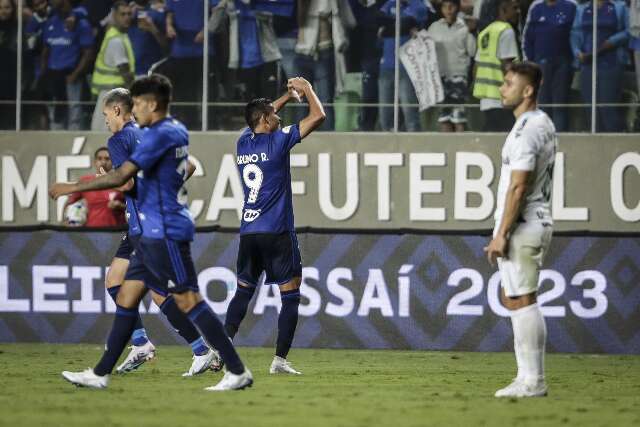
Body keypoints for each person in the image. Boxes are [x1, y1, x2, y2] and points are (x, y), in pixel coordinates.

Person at [50, 74, 252, 391]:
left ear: (151, 104)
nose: (134, 111)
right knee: (126, 296)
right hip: (151, 231)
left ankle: (234, 368)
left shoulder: (146, 137)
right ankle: (102, 372)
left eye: (139, 104)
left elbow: (125, 181)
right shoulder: (174, 131)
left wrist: (73, 187)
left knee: (189, 300)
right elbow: (182, 168)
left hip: (163, 230)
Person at [98, 87, 222, 376]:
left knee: (159, 292)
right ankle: (144, 344)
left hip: (147, 225)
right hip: (144, 223)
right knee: (117, 281)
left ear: (118, 110)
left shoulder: (120, 139)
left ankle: (202, 350)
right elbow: (188, 165)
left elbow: (126, 185)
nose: (105, 120)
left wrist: (108, 181)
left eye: (105, 114)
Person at [223, 76, 325, 375]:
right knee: (290, 295)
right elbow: (318, 115)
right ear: (267, 120)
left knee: (243, 291)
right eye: (275, 114)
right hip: (277, 231)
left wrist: (284, 98)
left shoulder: (242, 142)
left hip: (249, 232)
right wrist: (306, 89)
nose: (279, 116)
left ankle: (221, 348)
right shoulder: (279, 142)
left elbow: (257, 117)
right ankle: (279, 360)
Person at [484, 61, 556, 398]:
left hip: (524, 224)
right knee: (513, 297)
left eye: (509, 83)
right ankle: (525, 376)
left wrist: (502, 232)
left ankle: (534, 380)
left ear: (527, 91)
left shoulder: (527, 129)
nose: (503, 88)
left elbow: (518, 186)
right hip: (528, 221)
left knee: (523, 298)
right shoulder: (537, 123)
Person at [571, 0, 629, 132]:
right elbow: (575, 32)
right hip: (587, 64)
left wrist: (610, 42)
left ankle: (615, 142)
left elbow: (628, 32)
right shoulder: (582, 9)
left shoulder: (619, 7)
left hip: (611, 63)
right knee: (590, 108)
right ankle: (595, 145)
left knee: (607, 107)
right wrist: (577, 52)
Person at [40, 0, 94, 130]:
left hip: (71, 74)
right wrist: (44, 74)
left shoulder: (81, 23)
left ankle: (74, 146)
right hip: (53, 75)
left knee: (74, 111)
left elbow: (88, 53)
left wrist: (75, 74)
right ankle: (54, 143)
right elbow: (45, 50)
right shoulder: (51, 21)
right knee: (55, 113)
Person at [522, 0, 576, 132]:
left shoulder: (571, 5)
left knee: (560, 104)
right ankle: (543, 138)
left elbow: (576, 34)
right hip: (540, 64)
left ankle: (559, 138)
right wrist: (530, 63)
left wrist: (574, 62)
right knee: (543, 105)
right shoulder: (536, 7)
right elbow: (527, 37)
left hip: (563, 63)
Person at [377, 0, 429, 132]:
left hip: (407, 67)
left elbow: (408, 22)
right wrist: (399, 26)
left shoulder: (418, 4)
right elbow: (378, 19)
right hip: (386, 67)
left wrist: (388, 28)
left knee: (410, 113)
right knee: (384, 114)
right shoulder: (390, 3)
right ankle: (387, 149)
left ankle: (415, 148)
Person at [427, 0, 477, 132]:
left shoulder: (464, 28)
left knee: (458, 116)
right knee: (444, 116)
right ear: (441, 9)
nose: (448, 9)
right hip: (440, 77)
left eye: (452, 6)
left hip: (458, 77)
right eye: (445, 6)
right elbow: (427, 52)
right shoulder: (434, 27)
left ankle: (460, 149)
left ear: (457, 8)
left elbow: (472, 51)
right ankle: (447, 149)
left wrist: (471, 32)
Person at [472, 0, 520, 132]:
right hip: (502, 98)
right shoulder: (506, 31)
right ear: (503, 8)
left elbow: (476, 69)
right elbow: (508, 67)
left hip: (486, 99)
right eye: (514, 8)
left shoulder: (485, 33)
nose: (518, 11)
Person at [90, 1, 135, 131]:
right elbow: (125, 72)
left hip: (111, 95)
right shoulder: (116, 40)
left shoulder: (117, 35)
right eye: (123, 14)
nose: (127, 17)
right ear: (114, 15)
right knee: (106, 134)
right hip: (114, 96)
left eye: (129, 14)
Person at [64, 147, 127, 228]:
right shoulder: (85, 181)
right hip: (92, 233)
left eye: (107, 159)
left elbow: (135, 207)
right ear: (95, 162)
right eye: (99, 159)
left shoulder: (121, 182)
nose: (103, 162)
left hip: (116, 233)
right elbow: (69, 202)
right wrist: (65, 221)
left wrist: (120, 206)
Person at [128, 0, 169, 77]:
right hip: (128, 71)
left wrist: (153, 29)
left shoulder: (159, 13)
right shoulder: (129, 12)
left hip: (150, 71)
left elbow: (166, 46)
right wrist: (128, 14)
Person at [0, 0, 17, 130]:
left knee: (9, 117)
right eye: (0, 8)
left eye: (7, 7)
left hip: (11, 79)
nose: (3, 11)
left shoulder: (18, 28)